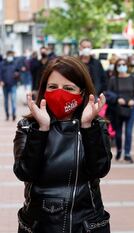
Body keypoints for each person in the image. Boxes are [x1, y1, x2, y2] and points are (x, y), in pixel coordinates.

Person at [13, 56, 112, 233]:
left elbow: (100, 169)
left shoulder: (96, 126)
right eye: (52, 87)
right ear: (43, 91)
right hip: (38, 225)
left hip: (85, 225)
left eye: (68, 88)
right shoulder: (28, 127)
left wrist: (88, 127)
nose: (59, 93)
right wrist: (41, 129)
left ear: (82, 93)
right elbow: (24, 172)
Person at [107, 58, 134, 163]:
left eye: (123, 64)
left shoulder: (133, 79)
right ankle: (119, 150)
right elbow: (108, 93)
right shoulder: (113, 79)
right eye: (119, 65)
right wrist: (117, 98)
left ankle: (127, 153)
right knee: (118, 133)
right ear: (116, 67)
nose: (121, 66)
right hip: (117, 109)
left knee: (128, 131)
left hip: (131, 108)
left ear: (127, 66)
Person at [0, 50, 21, 121]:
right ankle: (7, 114)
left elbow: (18, 72)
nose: (10, 57)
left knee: (13, 100)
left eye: (11, 56)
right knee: (6, 101)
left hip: (13, 84)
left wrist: (17, 75)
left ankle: (14, 114)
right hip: (5, 85)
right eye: (9, 55)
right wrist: (1, 81)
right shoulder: (2, 64)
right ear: (7, 55)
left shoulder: (15, 63)